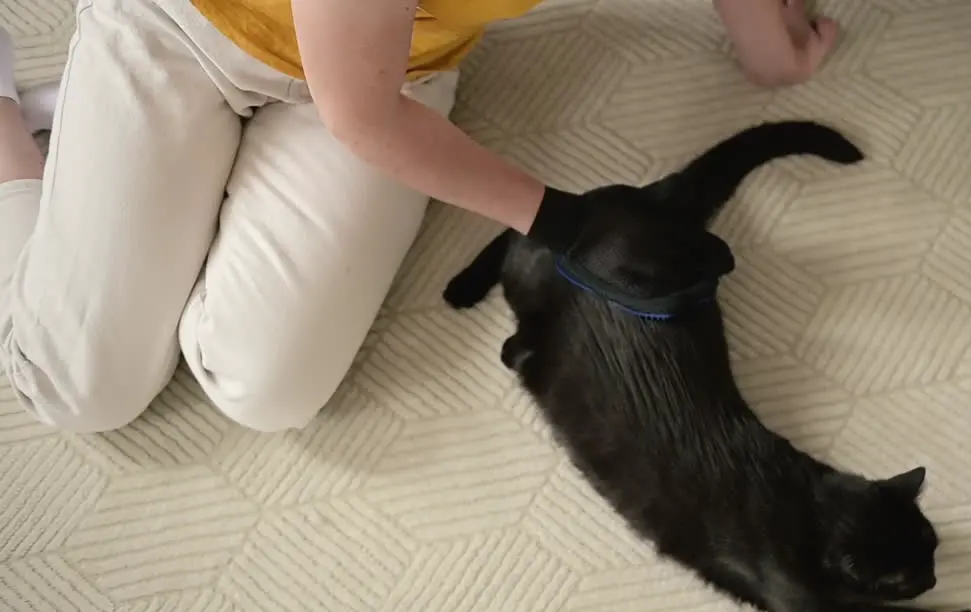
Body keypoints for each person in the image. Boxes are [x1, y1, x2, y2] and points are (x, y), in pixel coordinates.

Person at [0, 0, 836, 434]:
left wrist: (767, 43)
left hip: (392, 57)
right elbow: (358, 119)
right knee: (79, 388)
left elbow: (362, 99)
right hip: (184, 26)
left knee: (265, 386)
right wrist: (564, 224)